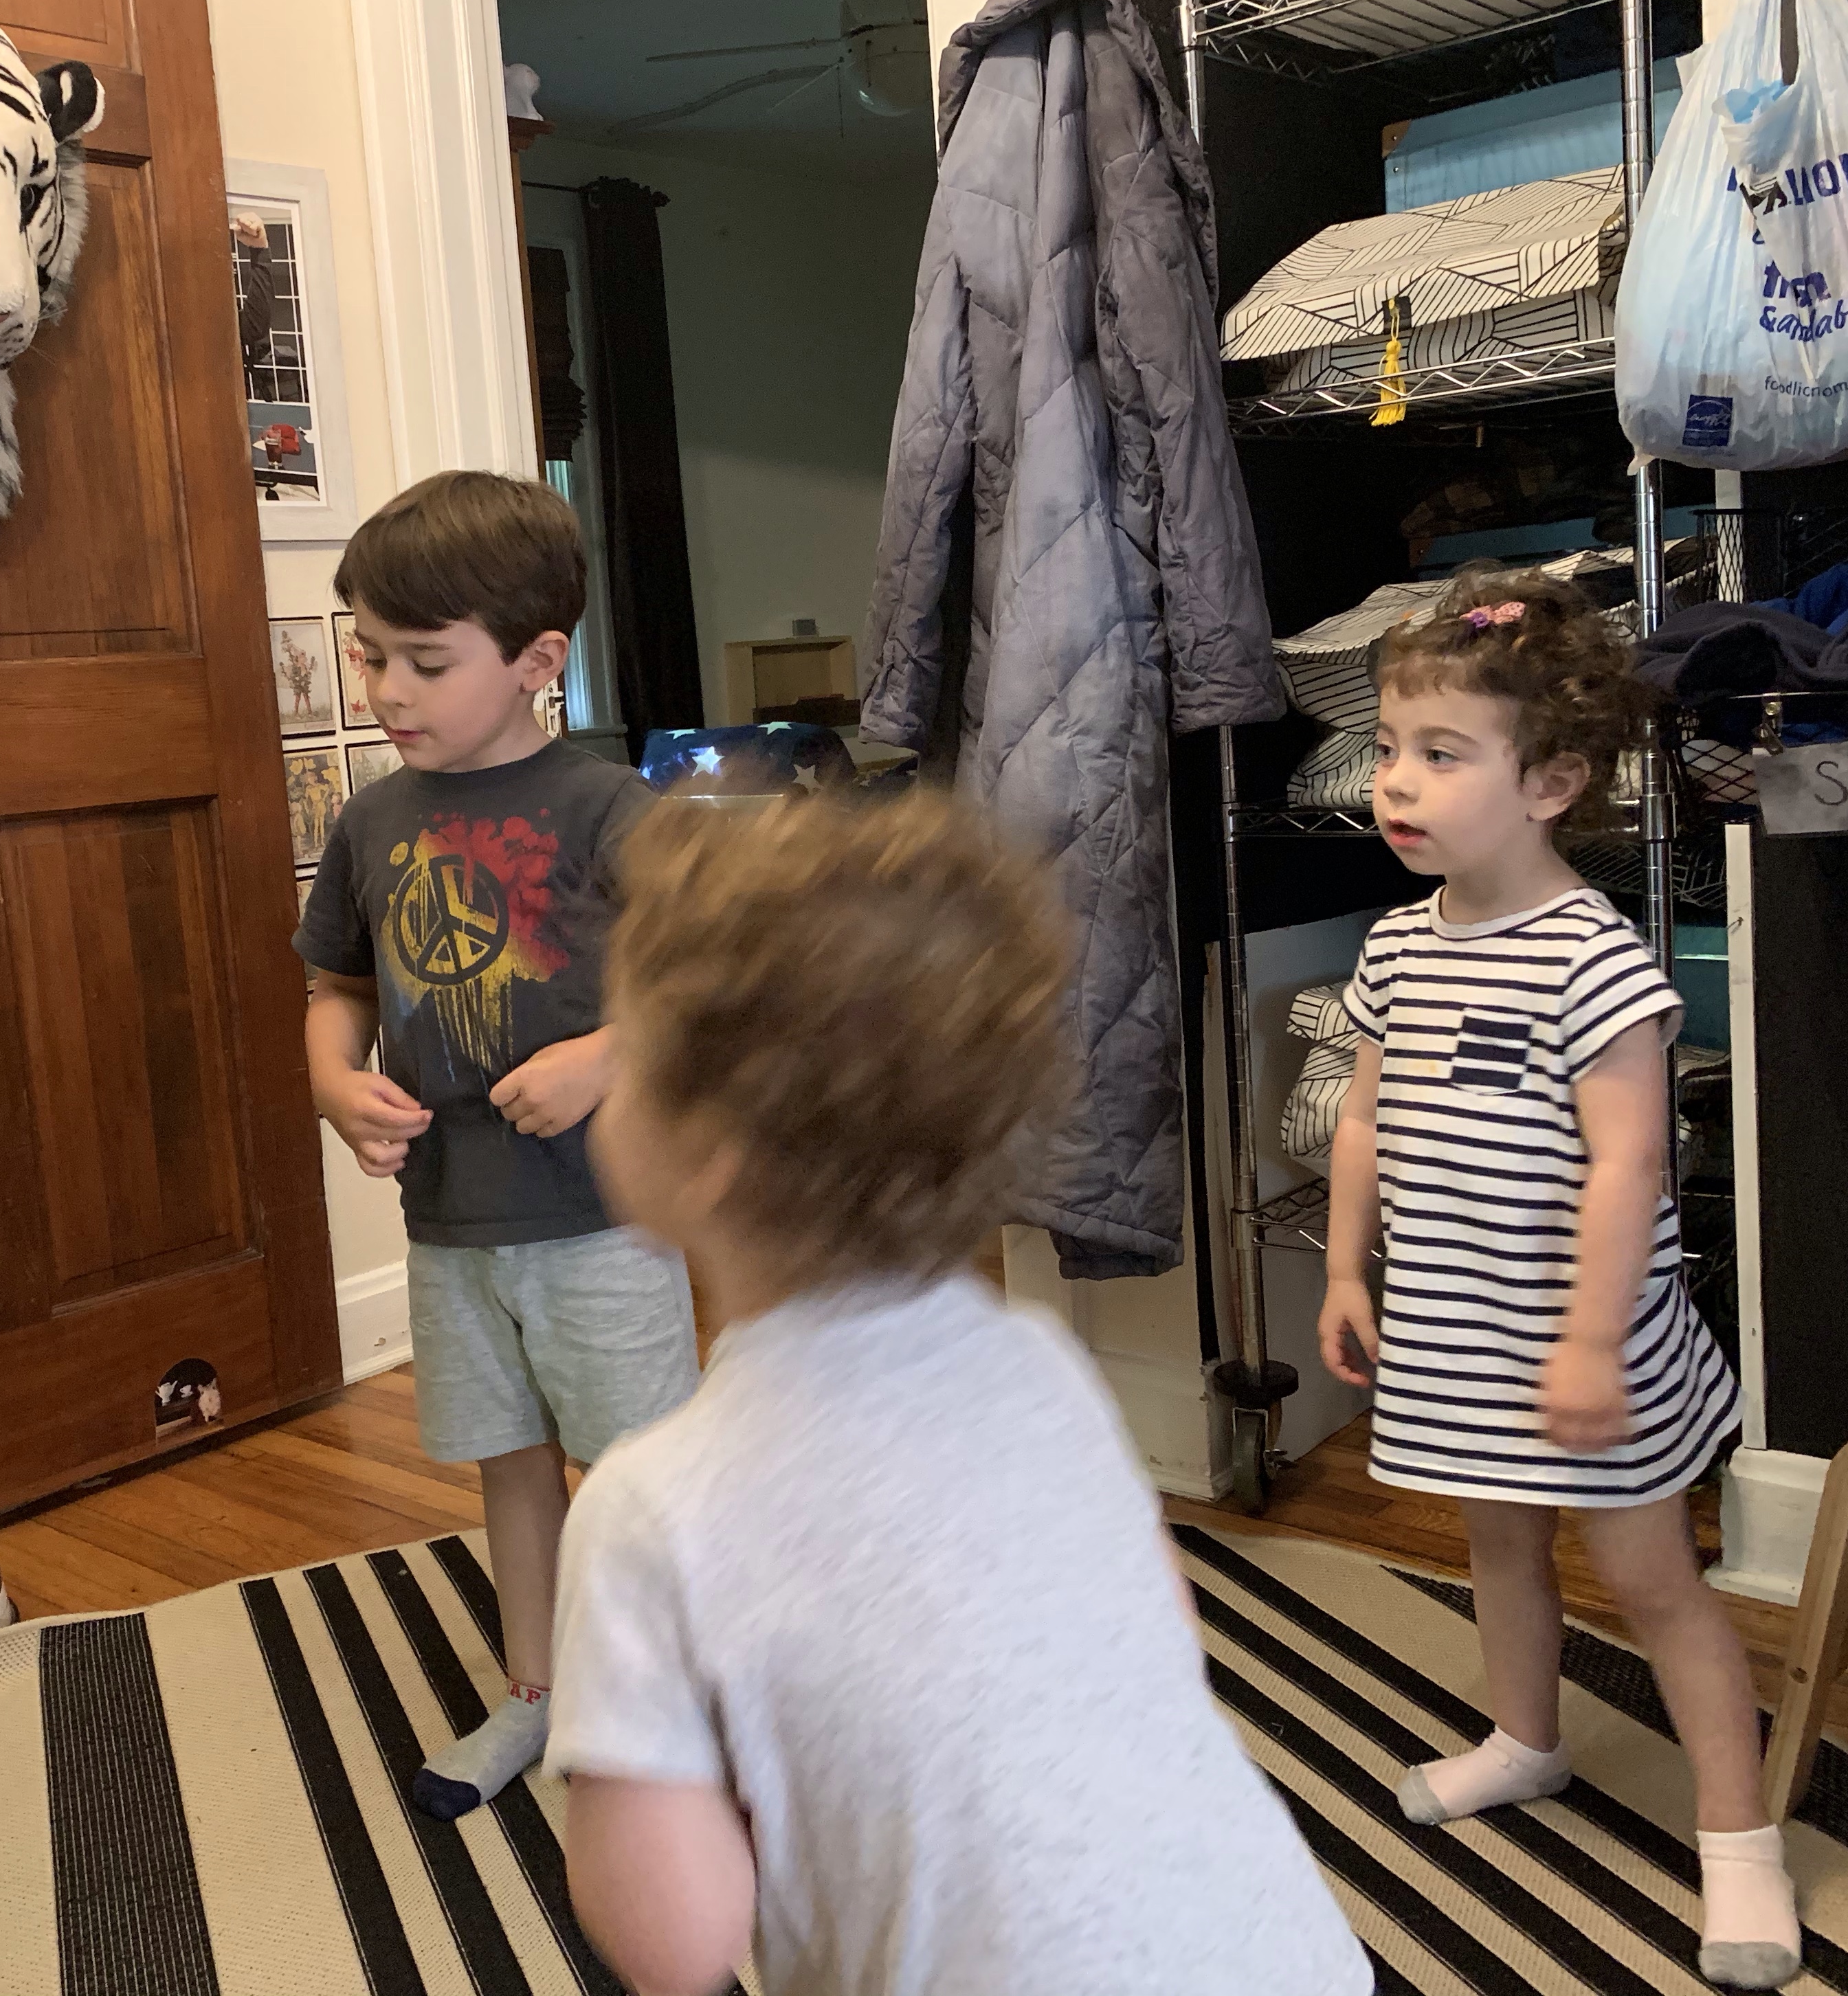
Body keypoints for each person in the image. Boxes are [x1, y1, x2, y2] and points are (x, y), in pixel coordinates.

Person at [549, 791, 1372, 1996]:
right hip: (1273, 1955)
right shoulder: (1042, 1365)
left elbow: (676, 1943)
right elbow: (1161, 1638)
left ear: (709, 1156)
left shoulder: (650, 1509)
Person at [1316, 568, 1795, 1991]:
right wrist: (1344, 1270)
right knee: (1501, 1544)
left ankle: (1742, 1843)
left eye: (1441, 753)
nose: (1396, 782)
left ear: (1551, 784)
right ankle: (1526, 1741)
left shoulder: (1595, 960)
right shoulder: (1397, 945)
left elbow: (1630, 1165)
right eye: (1389, 749)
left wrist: (1588, 1342)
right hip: (1460, 1330)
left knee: (1655, 1585)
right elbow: (1362, 1116)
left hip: (1590, 1344)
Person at [296, 469, 700, 1819]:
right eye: (369, 657)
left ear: (538, 661)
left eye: (424, 662)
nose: (386, 691)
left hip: (601, 1221)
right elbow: (337, 987)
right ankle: (536, 1691)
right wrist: (333, 1083)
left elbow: (714, 975)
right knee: (511, 1462)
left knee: (639, 1477)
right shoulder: (370, 823)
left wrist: (605, 1055)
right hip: (452, 1223)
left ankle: (679, 1702)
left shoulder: (607, 809)